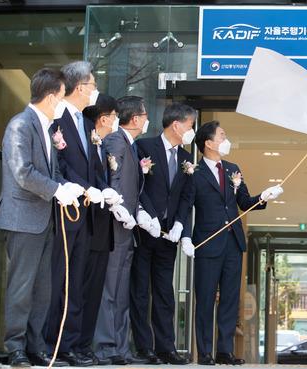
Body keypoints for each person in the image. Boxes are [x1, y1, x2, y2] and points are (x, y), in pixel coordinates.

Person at [0, 68, 85, 367]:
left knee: (42, 288)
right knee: (22, 286)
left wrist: (66, 186)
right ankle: (15, 347)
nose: (63, 102)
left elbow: (52, 171)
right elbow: (22, 173)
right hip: (22, 218)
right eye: (61, 96)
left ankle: (36, 347)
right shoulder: (20, 125)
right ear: (50, 97)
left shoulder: (46, 128)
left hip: (45, 218)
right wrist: (56, 189)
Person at [181, 121, 283, 365]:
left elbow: (245, 202)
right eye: (222, 135)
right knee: (205, 298)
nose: (226, 140)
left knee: (229, 299)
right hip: (207, 243)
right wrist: (185, 235)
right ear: (208, 142)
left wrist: (264, 197)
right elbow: (185, 208)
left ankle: (224, 351)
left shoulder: (232, 169)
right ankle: (205, 351)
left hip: (233, 244)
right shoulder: (194, 172)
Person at [45, 61, 111, 367]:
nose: (95, 90)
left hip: (85, 214)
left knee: (77, 280)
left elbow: (93, 165)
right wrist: (86, 188)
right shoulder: (57, 118)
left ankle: (70, 344)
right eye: (93, 84)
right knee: (60, 278)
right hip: (64, 210)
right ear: (81, 86)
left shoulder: (85, 124)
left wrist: (102, 188)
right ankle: (52, 343)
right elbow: (62, 164)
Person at [129, 102, 197, 365]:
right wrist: (148, 214)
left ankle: (166, 347)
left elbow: (186, 196)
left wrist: (180, 224)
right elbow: (138, 183)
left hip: (169, 234)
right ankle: (143, 347)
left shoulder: (186, 159)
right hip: (145, 230)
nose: (191, 130)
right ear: (176, 125)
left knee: (164, 292)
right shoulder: (145, 147)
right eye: (190, 125)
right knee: (140, 291)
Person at [94, 96, 154, 365]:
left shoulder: (130, 146)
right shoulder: (116, 141)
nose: (146, 119)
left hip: (126, 226)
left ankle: (120, 346)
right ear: (135, 119)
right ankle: (107, 347)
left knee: (120, 288)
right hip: (115, 224)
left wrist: (139, 212)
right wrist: (120, 207)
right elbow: (113, 177)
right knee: (111, 287)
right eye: (144, 114)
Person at [77, 94, 123, 365]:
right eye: (115, 116)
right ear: (104, 119)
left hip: (102, 229)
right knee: (80, 290)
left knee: (94, 292)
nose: (116, 121)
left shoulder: (102, 146)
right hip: (86, 226)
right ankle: (73, 344)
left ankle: (85, 345)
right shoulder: (88, 142)